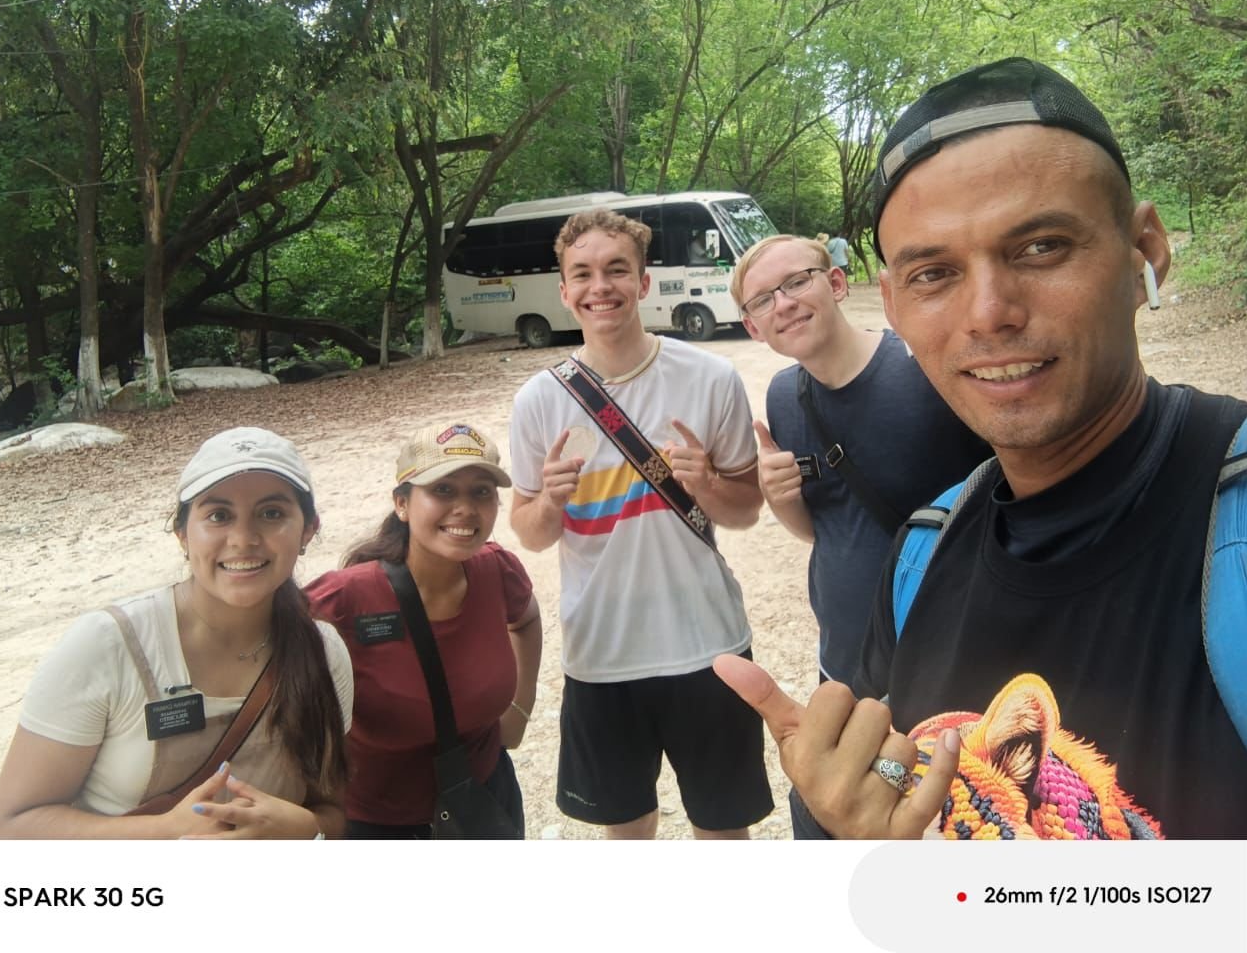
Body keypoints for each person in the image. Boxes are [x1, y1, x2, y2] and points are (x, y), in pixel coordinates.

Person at [716, 56, 1247, 839]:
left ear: (1144, 253)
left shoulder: (1230, 532)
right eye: (935, 272)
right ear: (894, 305)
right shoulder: (924, 552)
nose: (989, 313)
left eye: (1041, 248)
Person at [509, 206, 773, 840]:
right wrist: (548, 501)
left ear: (644, 283)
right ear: (565, 291)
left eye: (617, 270)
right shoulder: (540, 401)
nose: (602, 287)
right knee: (626, 835)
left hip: (707, 646)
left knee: (724, 831)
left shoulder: (709, 378)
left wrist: (707, 483)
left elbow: (746, 511)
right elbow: (531, 532)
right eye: (584, 274)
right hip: (602, 655)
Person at [0, 427, 353, 839]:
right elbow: (7, 829)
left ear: (307, 530)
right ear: (182, 533)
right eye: (218, 515)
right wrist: (162, 832)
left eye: (271, 513)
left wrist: (303, 828)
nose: (244, 539)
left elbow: (329, 811)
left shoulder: (324, 653)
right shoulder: (108, 645)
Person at [731, 234, 988, 689]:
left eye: (796, 282)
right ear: (753, 327)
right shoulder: (784, 396)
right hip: (845, 657)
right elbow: (819, 527)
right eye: (764, 300)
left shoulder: (921, 369)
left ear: (835, 283)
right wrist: (779, 496)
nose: (784, 304)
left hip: (951, 653)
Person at [306, 422, 541, 839]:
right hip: (377, 824)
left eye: (481, 491)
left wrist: (519, 712)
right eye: (444, 490)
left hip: (482, 800)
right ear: (402, 504)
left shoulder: (497, 570)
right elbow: (268, 662)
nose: (466, 508)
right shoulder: (345, 598)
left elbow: (525, 619)